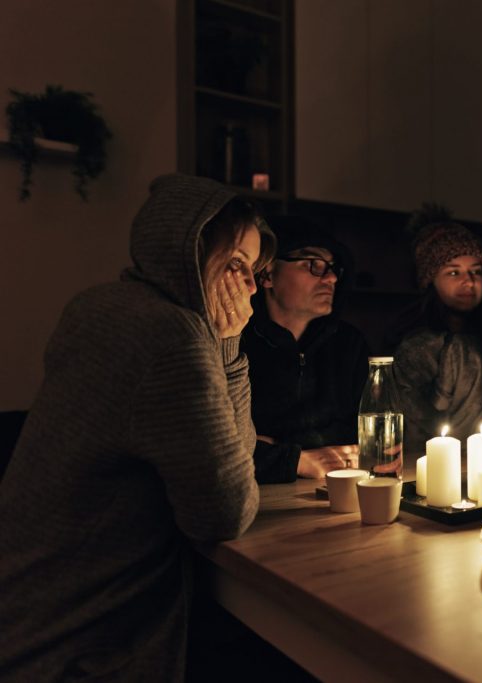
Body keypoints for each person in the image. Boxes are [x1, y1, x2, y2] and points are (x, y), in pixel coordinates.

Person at [0, 174, 274, 680]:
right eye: (237, 265)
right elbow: (226, 513)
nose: (252, 287)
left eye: (256, 271)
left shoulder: (95, 304)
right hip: (83, 645)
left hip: (23, 604)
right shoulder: (174, 338)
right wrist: (231, 348)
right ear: (186, 249)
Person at [388, 204, 482, 451]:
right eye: (454, 272)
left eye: (476, 271)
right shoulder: (409, 336)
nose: (469, 281)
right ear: (430, 279)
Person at [241, 216, 370, 483]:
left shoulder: (349, 344)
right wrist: (295, 460)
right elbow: (224, 448)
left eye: (333, 268)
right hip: (262, 501)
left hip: (335, 491)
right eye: (313, 265)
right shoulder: (237, 346)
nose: (332, 278)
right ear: (267, 273)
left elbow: (362, 438)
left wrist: (276, 445)